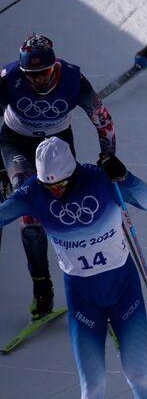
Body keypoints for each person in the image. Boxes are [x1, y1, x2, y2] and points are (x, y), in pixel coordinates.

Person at [0, 138, 147, 399]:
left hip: (123, 291)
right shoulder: (34, 192)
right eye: (49, 186)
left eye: (61, 184)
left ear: (74, 172)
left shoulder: (101, 179)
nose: (56, 192)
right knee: (91, 387)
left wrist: (125, 175)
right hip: (82, 300)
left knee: (137, 373)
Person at [0, 33, 122, 320]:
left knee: (70, 208)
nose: (39, 79)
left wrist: (108, 156)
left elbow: (102, 120)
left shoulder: (73, 80)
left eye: (44, 72)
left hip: (56, 144)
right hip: (16, 143)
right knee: (30, 216)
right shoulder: (9, 78)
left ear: (54, 67)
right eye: (32, 74)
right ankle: (42, 286)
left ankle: (93, 281)